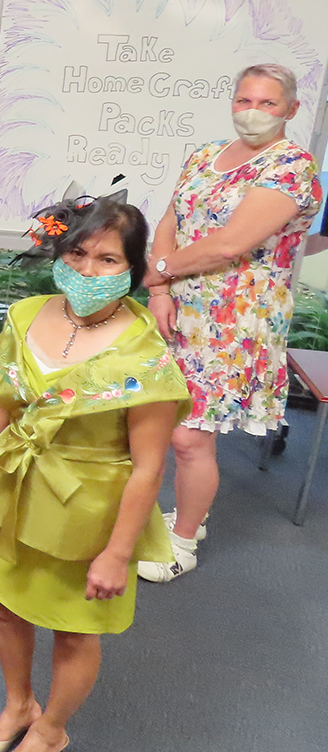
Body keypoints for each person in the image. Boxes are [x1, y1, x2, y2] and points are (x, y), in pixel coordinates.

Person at [0, 197, 190, 752]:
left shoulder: (144, 355)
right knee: (3, 604)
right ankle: (18, 706)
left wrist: (116, 553)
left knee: (74, 630)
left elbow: (150, 466)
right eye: (77, 253)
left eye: (108, 260)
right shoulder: (27, 315)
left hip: (92, 513)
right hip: (19, 490)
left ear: (133, 269)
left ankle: (52, 729)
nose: (87, 270)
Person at [138, 64, 323, 582]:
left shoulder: (292, 167)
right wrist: (157, 289)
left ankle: (181, 544)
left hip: (236, 320)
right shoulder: (205, 154)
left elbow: (230, 244)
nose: (253, 113)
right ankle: (188, 519)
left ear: (291, 109)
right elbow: (171, 219)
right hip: (178, 305)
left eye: (267, 104)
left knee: (189, 438)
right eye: (244, 101)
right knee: (169, 422)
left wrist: (162, 270)